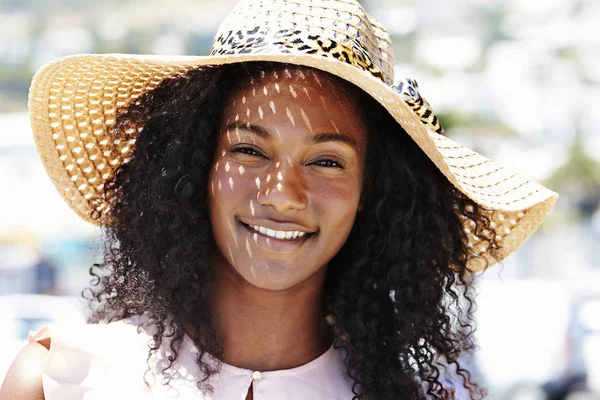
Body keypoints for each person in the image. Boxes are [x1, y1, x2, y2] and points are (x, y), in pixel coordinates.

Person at [0, 0, 558, 399]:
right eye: (249, 150)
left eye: (326, 161)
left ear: (374, 192)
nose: (283, 195)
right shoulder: (60, 380)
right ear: (197, 165)